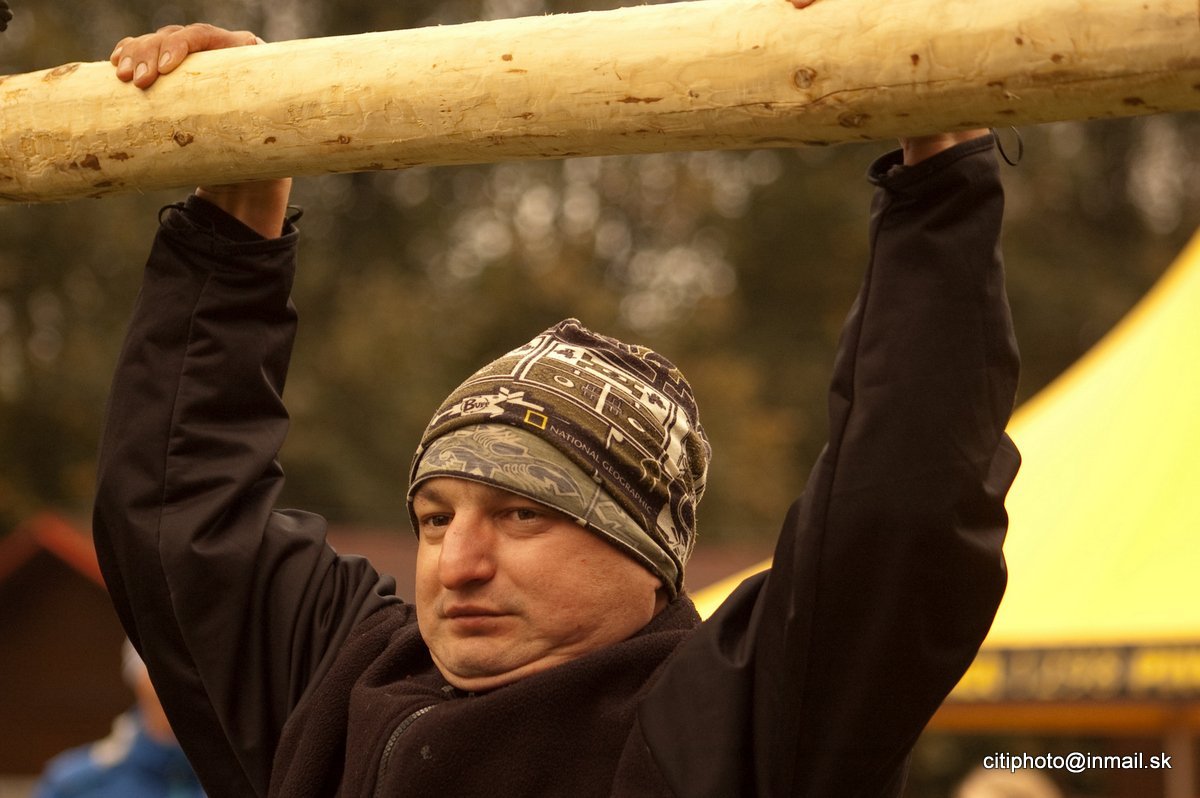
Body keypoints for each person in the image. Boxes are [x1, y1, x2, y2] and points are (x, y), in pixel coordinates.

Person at [93, 10, 1021, 797]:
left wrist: (937, 156)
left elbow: (901, 512)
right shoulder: (343, 686)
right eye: (433, 518)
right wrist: (237, 207)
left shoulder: (728, 729)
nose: (456, 566)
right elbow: (179, 517)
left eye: (521, 514)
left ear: (644, 554)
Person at [33, 641, 206, 798]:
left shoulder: (221, 779)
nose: (182, 679)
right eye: (164, 665)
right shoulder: (75, 787)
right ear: (138, 680)